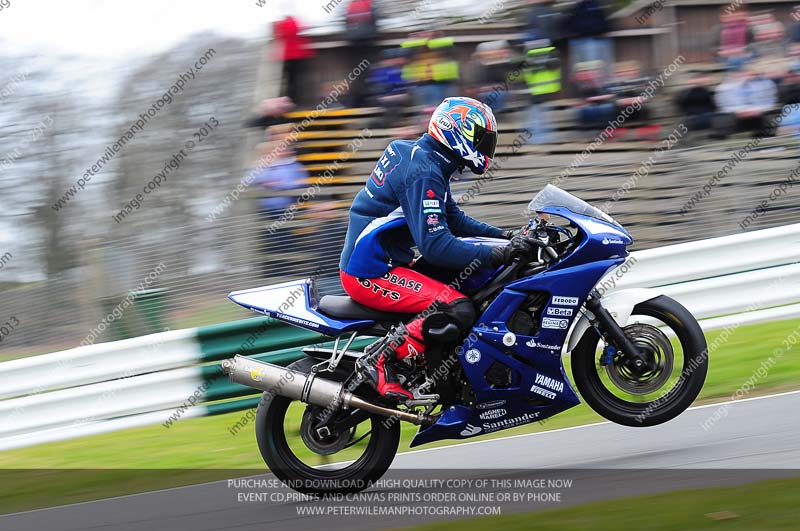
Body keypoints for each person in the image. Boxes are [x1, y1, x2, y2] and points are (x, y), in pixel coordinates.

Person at [337, 97, 536, 401]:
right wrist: (498, 253)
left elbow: (453, 220)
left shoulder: (424, 157)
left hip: (385, 264)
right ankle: (379, 360)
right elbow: (435, 246)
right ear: (458, 131)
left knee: (473, 281)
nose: (486, 148)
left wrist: (505, 237)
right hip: (371, 273)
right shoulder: (424, 170)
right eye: (481, 139)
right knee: (458, 307)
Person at [273, 15, 315, 104]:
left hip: (285, 57)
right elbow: (301, 30)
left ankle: (285, 99)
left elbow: (278, 35)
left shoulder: (281, 25)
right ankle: (294, 100)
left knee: (286, 80)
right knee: (295, 79)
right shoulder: (294, 23)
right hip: (296, 56)